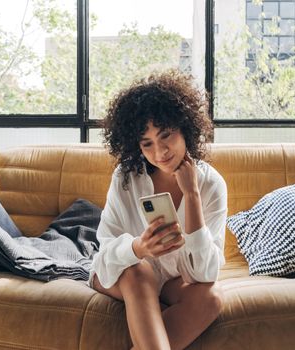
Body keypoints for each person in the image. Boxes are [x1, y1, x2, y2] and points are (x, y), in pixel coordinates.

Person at [89, 70, 227, 350]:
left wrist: (192, 194)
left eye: (166, 135)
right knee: (141, 273)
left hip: (170, 280)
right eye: (147, 143)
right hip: (119, 272)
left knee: (210, 298)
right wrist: (139, 248)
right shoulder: (126, 178)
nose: (160, 151)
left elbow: (203, 275)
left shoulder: (211, 183)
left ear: (186, 129)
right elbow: (105, 254)